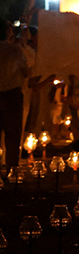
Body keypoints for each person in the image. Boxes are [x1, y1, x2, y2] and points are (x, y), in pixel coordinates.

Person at [0, 21, 30, 168]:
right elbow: (25, 72)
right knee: (13, 137)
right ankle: (11, 170)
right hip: (12, 96)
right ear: (7, 33)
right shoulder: (15, 51)